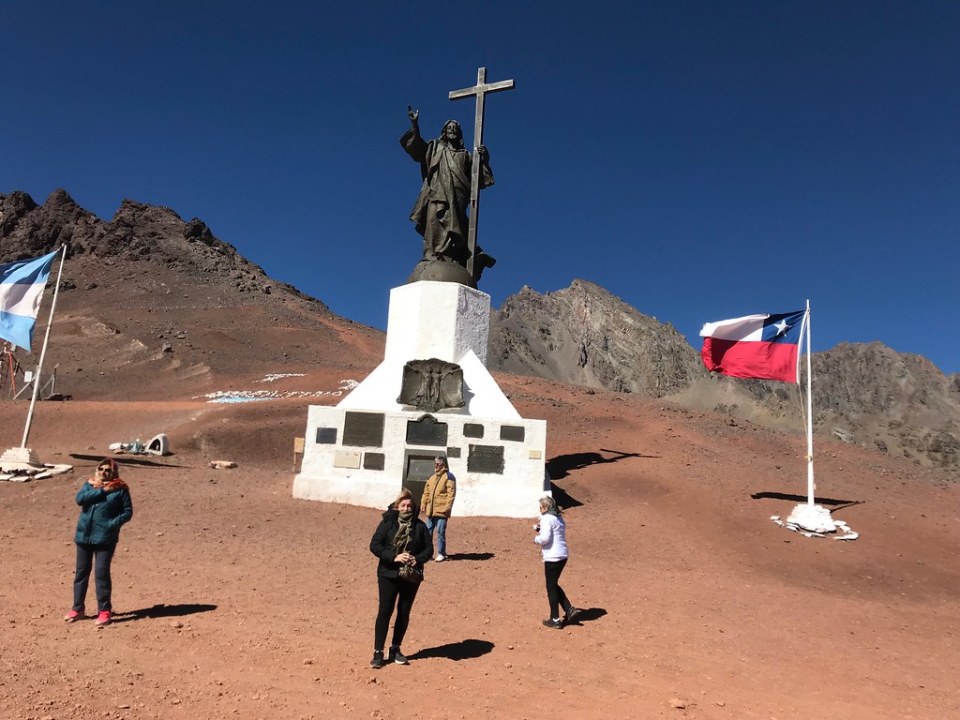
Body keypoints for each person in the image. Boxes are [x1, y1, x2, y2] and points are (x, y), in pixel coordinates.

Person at [400, 107, 496, 279]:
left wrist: (485, 159)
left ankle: (453, 257)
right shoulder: (436, 148)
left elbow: (479, 179)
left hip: (458, 197)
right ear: (444, 131)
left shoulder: (466, 156)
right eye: (449, 128)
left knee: (455, 227)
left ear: (459, 134)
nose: (452, 130)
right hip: (437, 193)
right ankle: (431, 256)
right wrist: (415, 125)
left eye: (455, 128)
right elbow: (419, 149)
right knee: (433, 222)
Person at [65, 458, 134, 627]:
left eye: (107, 470)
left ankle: (104, 611)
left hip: (105, 538)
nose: (104, 472)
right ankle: (77, 609)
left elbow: (127, 512)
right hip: (84, 536)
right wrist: (102, 491)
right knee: (81, 573)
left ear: (113, 472)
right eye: (101, 469)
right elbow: (80, 499)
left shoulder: (120, 489)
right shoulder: (90, 485)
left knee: (101, 574)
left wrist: (111, 525)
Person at [369, 488, 433, 669]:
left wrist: (417, 559)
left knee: (404, 612)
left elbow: (429, 549)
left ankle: (395, 648)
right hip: (388, 573)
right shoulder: (387, 523)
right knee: (385, 611)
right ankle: (378, 652)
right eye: (403, 505)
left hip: (410, 576)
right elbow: (375, 545)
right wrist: (394, 557)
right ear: (397, 506)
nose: (406, 508)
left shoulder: (420, 526)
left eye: (409, 506)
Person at [533, 496, 581, 629]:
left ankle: (555, 619)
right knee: (553, 584)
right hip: (562, 555)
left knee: (551, 587)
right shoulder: (558, 518)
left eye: (541, 507)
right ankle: (569, 609)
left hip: (552, 557)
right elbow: (554, 532)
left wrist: (536, 539)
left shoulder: (546, 518)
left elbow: (545, 538)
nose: (540, 509)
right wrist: (540, 529)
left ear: (546, 507)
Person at [420, 455, 456, 562]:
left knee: (440, 531)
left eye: (438, 464)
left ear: (443, 465)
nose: (435, 466)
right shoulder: (431, 477)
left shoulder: (449, 477)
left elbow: (451, 494)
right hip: (430, 510)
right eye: (435, 464)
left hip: (441, 510)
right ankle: (427, 553)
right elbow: (426, 492)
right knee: (428, 531)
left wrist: (448, 507)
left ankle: (441, 553)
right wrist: (423, 503)